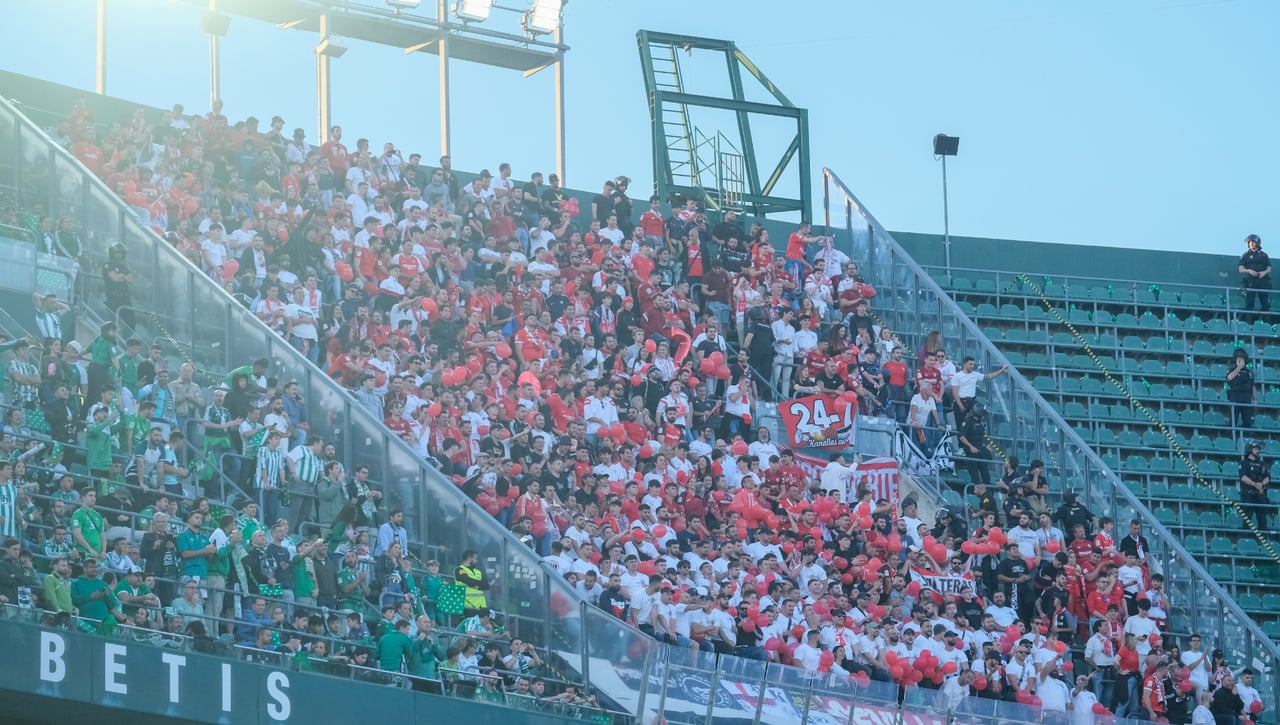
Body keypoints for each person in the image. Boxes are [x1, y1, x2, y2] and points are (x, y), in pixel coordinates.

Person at [1239, 439, 1271, 531]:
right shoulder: (1243, 463)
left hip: (1260, 495)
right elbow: (1243, 477)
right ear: (1250, 449)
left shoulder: (1261, 463)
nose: (1258, 451)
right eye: (1256, 449)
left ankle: (1263, 538)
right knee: (1247, 518)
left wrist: (1261, 484)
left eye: (1258, 449)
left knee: (1262, 518)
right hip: (1247, 494)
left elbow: (1267, 477)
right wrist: (1255, 485)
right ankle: (1245, 538)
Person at [1239, 233, 1271, 315]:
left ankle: (1265, 322)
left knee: (1264, 303)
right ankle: (1249, 323)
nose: (1251, 244)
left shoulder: (1264, 255)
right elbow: (1241, 269)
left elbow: (1269, 268)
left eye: (1253, 242)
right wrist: (1249, 271)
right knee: (1249, 302)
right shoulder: (1245, 255)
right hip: (1250, 281)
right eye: (1249, 242)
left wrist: (1264, 272)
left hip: (1262, 281)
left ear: (1258, 243)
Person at [1226, 348, 1256, 429]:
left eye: (1241, 358)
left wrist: (1254, 398)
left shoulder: (1249, 372)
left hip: (1246, 396)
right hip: (1235, 395)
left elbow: (1252, 385)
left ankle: (1247, 436)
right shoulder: (1231, 370)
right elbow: (1229, 378)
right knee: (1233, 418)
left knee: (1247, 419)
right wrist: (1238, 368)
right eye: (1238, 358)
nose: (1239, 360)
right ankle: (1232, 436)